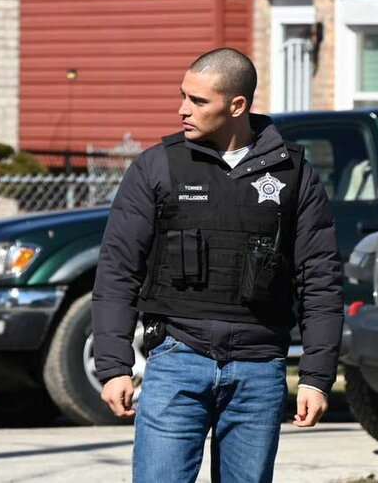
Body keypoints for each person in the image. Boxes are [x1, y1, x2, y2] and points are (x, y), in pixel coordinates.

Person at [91, 48, 343, 483]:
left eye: (198, 100)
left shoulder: (293, 172)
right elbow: (117, 271)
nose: (182, 109)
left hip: (259, 369)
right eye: (183, 96)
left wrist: (316, 377)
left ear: (237, 105)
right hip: (176, 359)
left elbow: (320, 279)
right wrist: (113, 367)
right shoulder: (158, 166)